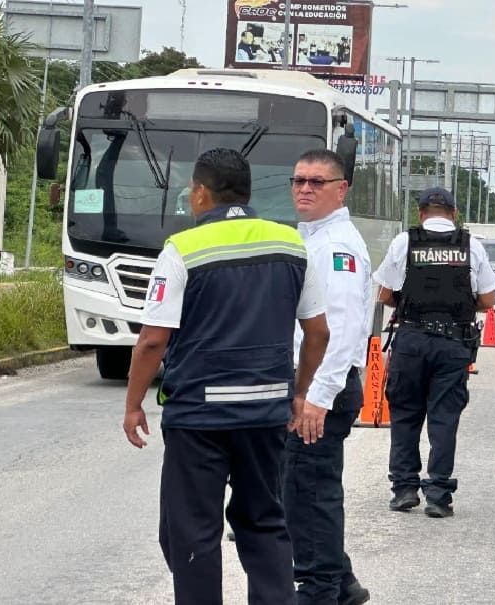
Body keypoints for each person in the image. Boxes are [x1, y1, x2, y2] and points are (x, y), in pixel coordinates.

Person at [122, 148, 329, 605]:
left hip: (198, 417)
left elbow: (152, 340)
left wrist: (134, 402)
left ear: (200, 192)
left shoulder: (183, 249)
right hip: (267, 412)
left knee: (192, 531)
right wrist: (298, 393)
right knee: (265, 523)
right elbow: (317, 331)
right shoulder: (292, 245)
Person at [374, 187, 495, 518]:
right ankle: (439, 495)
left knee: (405, 414)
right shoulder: (472, 245)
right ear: (454, 214)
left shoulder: (405, 242)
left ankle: (404, 489)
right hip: (453, 344)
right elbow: (487, 302)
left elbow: (385, 294)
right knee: (444, 419)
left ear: (420, 213)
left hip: (411, 340)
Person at [283, 149, 372, 605]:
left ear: (342, 190)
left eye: (318, 182)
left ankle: (319, 591)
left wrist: (315, 398)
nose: (305, 189)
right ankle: (344, 584)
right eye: (299, 180)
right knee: (299, 487)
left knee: (309, 493)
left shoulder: (336, 245)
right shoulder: (313, 236)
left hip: (323, 391)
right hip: (313, 387)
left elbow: (342, 329)